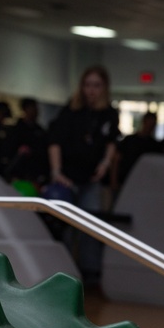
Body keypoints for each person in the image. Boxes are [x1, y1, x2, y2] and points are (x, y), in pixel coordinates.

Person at [47, 65, 119, 287]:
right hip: (67, 180)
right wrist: (57, 171)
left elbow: (112, 143)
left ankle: (91, 274)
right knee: (65, 227)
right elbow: (54, 142)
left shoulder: (109, 114)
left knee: (90, 226)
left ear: (104, 88)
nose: (91, 91)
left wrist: (105, 165)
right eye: (88, 85)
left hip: (92, 180)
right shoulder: (70, 111)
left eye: (96, 86)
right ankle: (64, 272)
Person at [3, 97, 49, 189]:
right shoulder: (16, 129)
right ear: (25, 109)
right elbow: (8, 152)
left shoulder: (40, 131)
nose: (35, 111)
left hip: (35, 175)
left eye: (36, 109)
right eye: (32, 108)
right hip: (17, 174)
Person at [111, 110, 161, 193]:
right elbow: (116, 160)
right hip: (125, 182)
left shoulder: (155, 145)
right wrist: (114, 181)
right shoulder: (129, 140)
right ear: (144, 122)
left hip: (145, 185)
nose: (150, 127)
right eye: (149, 123)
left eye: (152, 124)